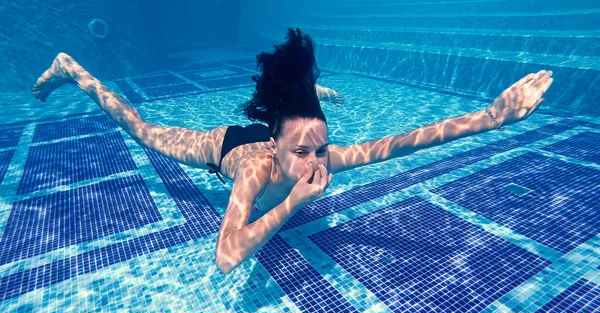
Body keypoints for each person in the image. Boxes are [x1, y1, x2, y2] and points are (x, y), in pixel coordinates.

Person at [32, 28, 553, 274]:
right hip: (222, 146)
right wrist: (292, 204)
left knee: (307, 119)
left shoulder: (326, 156)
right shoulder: (256, 171)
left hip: (275, 125)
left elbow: (405, 141)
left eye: (322, 149)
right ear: (278, 147)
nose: (316, 165)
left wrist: (492, 117)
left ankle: (306, 94)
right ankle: (70, 69)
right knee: (143, 129)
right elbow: (226, 257)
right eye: (303, 153)